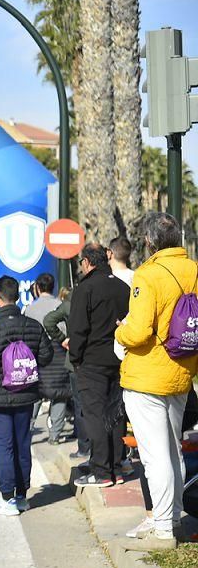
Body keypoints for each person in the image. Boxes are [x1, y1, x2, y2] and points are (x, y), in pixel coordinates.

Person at [116, 212, 198, 545]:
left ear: (149, 242)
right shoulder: (193, 269)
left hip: (147, 376)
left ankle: (162, 525)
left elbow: (138, 332)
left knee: (154, 454)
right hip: (181, 372)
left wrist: (120, 332)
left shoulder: (147, 275)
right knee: (173, 449)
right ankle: (173, 515)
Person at [0, 275, 53, 515]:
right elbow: (46, 357)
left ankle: (6, 500)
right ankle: (21, 495)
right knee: (22, 445)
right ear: (17, 296)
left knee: (3, 448)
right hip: (26, 395)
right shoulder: (33, 326)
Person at [70, 243, 131, 488]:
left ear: (86, 262)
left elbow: (78, 329)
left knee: (94, 415)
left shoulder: (85, 289)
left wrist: (75, 358)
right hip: (119, 359)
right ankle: (116, 466)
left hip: (92, 361)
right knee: (115, 415)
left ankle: (102, 471)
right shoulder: (123, 287)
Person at [24, 273, 71, 445]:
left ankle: (27, 431)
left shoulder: (30, 309)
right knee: (60, 393)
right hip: (59, 351)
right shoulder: (61, 305)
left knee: (35, 394)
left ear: (37, 287)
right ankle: (55, 435)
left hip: (37, 354)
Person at [43, 293, 90, 458]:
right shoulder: (98, 298)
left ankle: (84, 447)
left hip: (75, 360)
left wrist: (63, 339)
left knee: (80, 406)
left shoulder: (69, 303)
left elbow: (48, 321)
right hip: (98, 358)